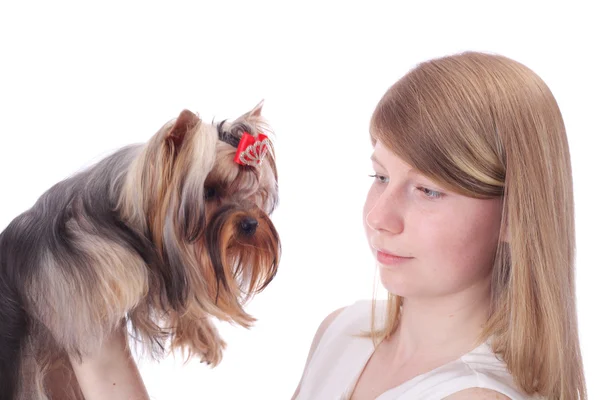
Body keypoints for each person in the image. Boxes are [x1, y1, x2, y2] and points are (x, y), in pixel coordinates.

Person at [69, 51, 587, 399]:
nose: (380, 218)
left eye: (428, 190)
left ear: (515, 214)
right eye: (379, 175)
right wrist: (94, 333)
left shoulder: (473, 395)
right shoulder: (343, 333)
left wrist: (95, 348)